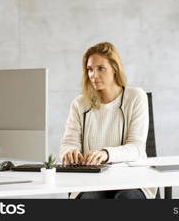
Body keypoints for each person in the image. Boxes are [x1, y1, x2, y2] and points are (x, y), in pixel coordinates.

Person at [59, 42, 158, 199]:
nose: (93, 75)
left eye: (100, 68)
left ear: (115, 69)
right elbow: (68, 143)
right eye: (90, 69)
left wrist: (106, 154)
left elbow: (137, 148)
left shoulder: (135, 97)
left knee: (127, 198)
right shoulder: (79, 104)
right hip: (91, 181)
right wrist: (69, 152)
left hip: (131, 179)